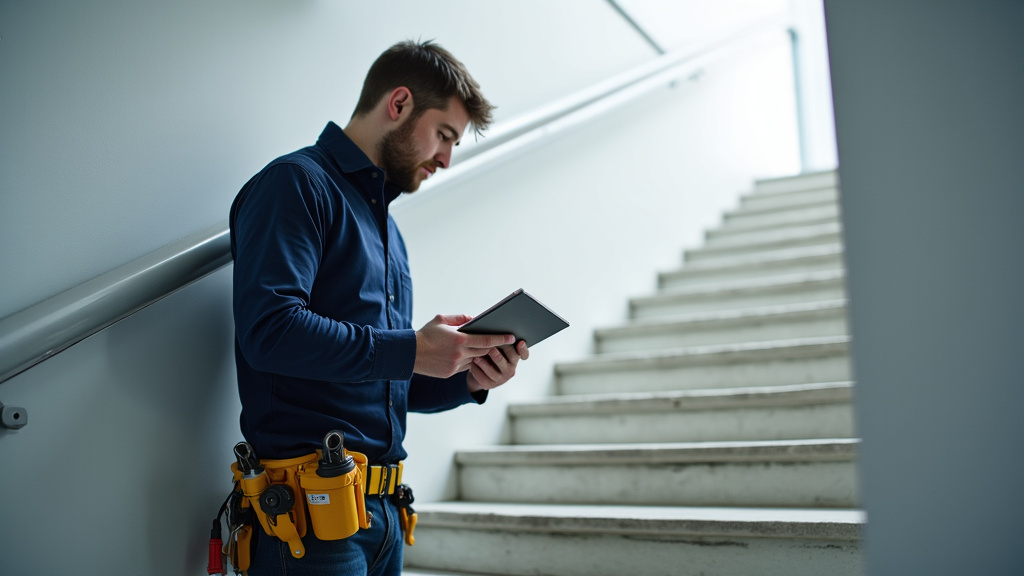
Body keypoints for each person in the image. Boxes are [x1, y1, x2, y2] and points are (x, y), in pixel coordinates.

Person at [228, 39, 528, 575]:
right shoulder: (295, 184)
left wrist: (467, 378)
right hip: (309, 521)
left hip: (383, 515)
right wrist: (412, 348)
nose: (446, 158)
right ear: (399, 104)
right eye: (444, 135)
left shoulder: (389, 231)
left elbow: (379, 380)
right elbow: (270, 332)